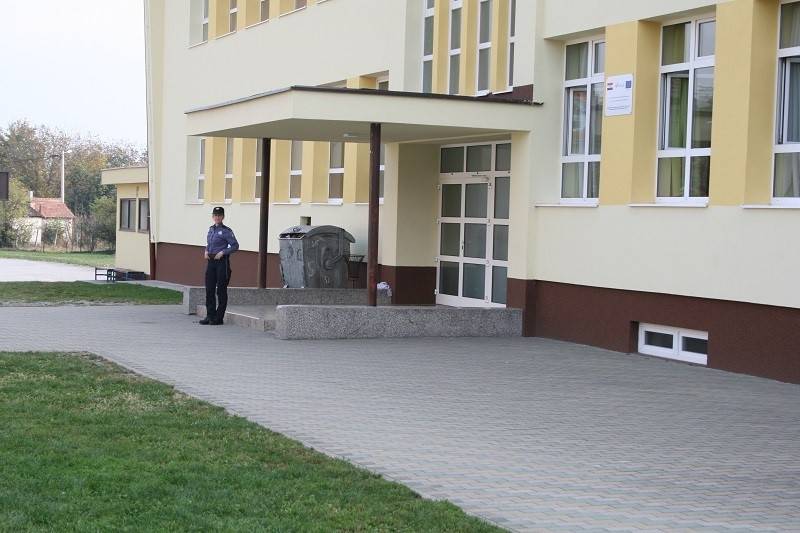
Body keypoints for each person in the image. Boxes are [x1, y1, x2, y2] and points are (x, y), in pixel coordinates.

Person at [200, 206, 239, 325]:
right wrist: (206, 251)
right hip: (211, 262)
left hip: (222, 262)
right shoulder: (211, 229)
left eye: (219, 215)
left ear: (223, 217)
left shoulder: (226, 231)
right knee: (209, 289)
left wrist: (223, 252)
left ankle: (218, 317)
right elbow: (209, 243)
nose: (217, 217)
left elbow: (235, 246)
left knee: (221, 290)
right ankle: (210, 315)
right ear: (213, 217)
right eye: (215, 215)